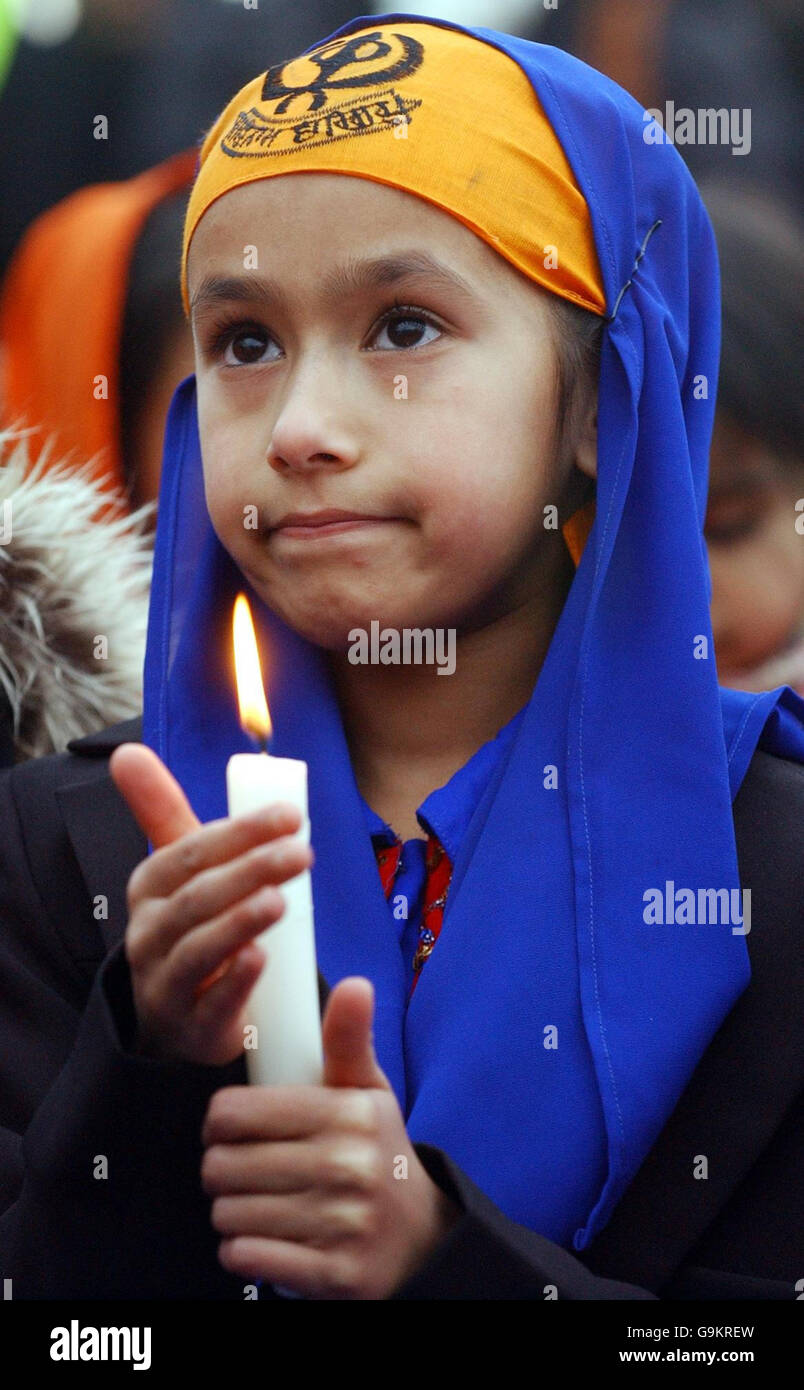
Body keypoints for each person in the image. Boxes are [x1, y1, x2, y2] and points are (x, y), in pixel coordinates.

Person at [1, 13, 803, 1302]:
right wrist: (146, 1059)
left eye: (405, 328)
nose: (305, 426)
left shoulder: (773, 866)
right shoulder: (68, 853)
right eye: (245, 343)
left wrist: (446, 1264)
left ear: (602, 400)